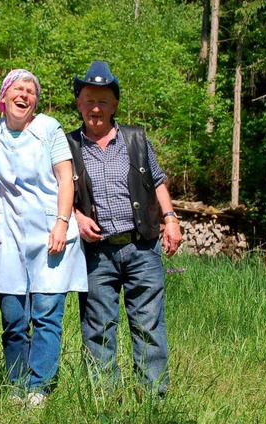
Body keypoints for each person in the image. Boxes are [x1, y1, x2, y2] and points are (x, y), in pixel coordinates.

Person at [67, 61, 182, 398]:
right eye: (88, 100)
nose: (95, 108)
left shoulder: (136, 138)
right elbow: (57, 191)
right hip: (96, 253)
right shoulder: (68, 145)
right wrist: (74, 215)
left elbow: (157, 181)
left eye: (103, 100)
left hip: (142, 248)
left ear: (114, 105)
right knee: (98, 329)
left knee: (148, 326)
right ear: (79, 104)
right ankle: (104, 400)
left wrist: (171, 218)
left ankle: (153, 401)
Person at [0, 69, 88, 408]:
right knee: (14, 317)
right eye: (18, 88)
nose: (25, 94)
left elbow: (66, 179)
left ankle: (38, 387)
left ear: (35, 102)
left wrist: (62, 223)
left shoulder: (48, 128)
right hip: (8, 236)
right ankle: (16, 384)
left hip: (49, 232)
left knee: (46, 314)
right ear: (4, 97)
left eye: (31, 91)